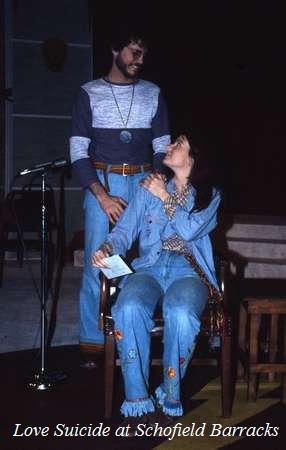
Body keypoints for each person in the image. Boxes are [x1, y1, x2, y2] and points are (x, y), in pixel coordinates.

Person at [92, 133, 221, 430]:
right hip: (149, 267)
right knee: (128, 307)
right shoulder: (149, 188)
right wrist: (107, 248)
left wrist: (165, 196)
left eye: (178, 145)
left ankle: (170, 397)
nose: (169, 147)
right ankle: (138, 402)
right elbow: (124, 231)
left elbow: (189, 231)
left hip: (189, 270)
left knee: (181, 313)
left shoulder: (210, 195)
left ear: (193, 158)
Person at [69, 28, 171, 367]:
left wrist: (154, 182)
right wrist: (102, 196)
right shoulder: (89, 93)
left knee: (144, 262)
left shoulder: (153, 93)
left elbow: (161, 146)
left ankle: (134, 337)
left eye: (143, 54)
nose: (139, 61)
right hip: (103, 182)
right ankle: (94, 345)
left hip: (144, 183)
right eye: (133, 52)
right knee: (100, 264)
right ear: (115, 50)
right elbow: (78, 151)